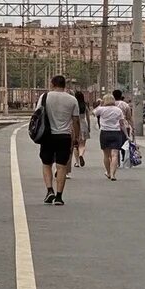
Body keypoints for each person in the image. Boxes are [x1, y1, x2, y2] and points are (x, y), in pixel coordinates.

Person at [35, 74, 80, 206]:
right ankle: (59, 197)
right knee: (61, 166)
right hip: (64, 136)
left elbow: (38, 113)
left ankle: (49, 190)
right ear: (64, 85)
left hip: (47, 136)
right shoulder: (72, 100)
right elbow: (76, 121)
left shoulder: (44, 97)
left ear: (52, 84)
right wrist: (76, 137)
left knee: (46, 164)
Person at [95, 93, 126, 180]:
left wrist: (100, 104)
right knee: (115, 155)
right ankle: (113, 174)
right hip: (116, 133)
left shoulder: (101, 109)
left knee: (106, 155)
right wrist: (126, 135)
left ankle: (108, 172)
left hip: (105, 133)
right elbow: (122, 123)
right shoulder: (118, 110)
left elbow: (94, 112)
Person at [73, 90, 90, 167]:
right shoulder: (85, 105)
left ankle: (77, 162)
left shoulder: (74, 105)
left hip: (75, 124)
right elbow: (88, 117)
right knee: (82, 144)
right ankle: (81, 155)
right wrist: (89, 126)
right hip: (83, 124)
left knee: (75, 145)